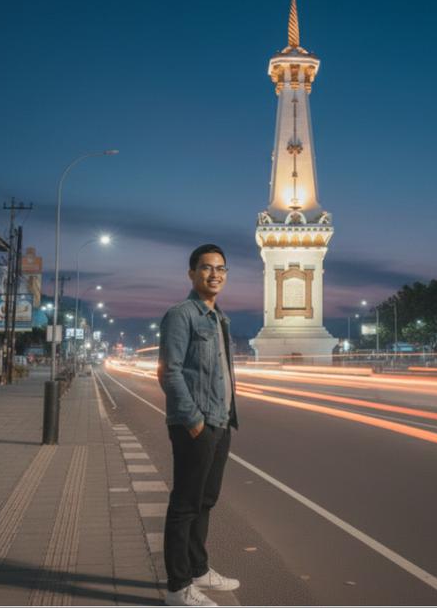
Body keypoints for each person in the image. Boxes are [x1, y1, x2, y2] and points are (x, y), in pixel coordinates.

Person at [157, 244, 241, 606]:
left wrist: (224, 419)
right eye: (206, 268)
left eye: (220, 268)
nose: (214, 274)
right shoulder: (181, 315)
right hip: (196, 424)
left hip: (220, 422)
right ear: (192, 273)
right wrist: (193, 422)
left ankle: (198, 569)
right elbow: (169, 372)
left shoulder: (220, 318)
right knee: (185, 505)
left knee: (206, 500)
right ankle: (178, 587)